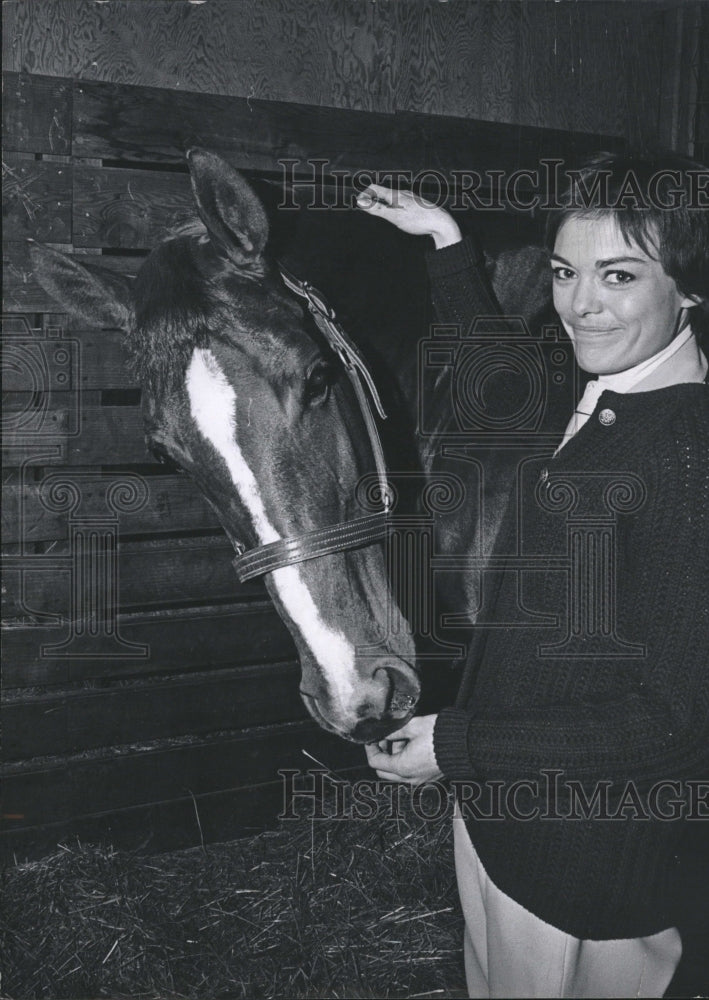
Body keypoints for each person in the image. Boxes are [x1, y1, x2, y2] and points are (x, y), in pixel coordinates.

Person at [359, 152, 709, 998]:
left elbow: (666, 722)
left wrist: (455, 745)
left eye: (617, 275)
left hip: (583, 866)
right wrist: (447, 245)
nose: (578, 305)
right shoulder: (615, 392)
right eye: (563, 272)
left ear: (689, 289)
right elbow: (511, 383)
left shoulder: (686, 457)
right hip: (508, 814)